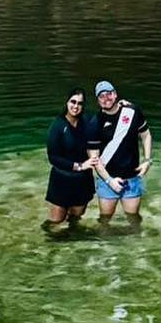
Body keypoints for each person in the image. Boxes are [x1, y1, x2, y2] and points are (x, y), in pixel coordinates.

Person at [86, 79, 152, 223]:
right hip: (106, 180)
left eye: (109, 94)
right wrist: (110, 181)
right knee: (105, 220)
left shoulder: (132, 111)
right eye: (101, 96)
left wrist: (147, 160)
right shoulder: (94, 124)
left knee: (134, 219)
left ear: (115, 94)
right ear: (98, 101)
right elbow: (94, 158)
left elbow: (146, 134)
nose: (106, 98)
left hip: (132, 177)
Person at [44, 88, 93, 231]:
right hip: (62, 180)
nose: (76, 106)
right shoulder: (58, 126)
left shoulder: (87, 121)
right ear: (67, 102)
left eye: (80, 103)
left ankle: (73, 242)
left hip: (83, 181)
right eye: (73, 102)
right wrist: (79, 166)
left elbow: (107, 117)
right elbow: (53, 157)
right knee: (55, 222)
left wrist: (120, 105)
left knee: (75, 220)